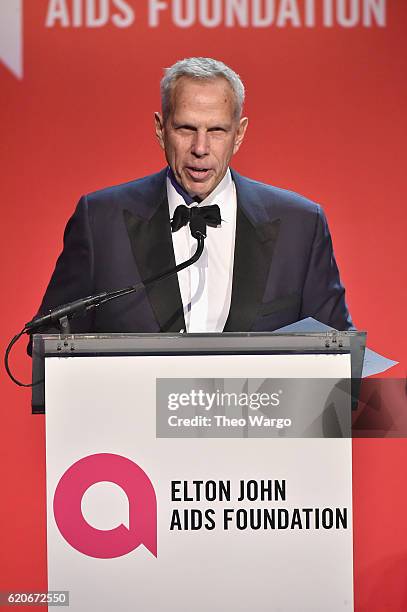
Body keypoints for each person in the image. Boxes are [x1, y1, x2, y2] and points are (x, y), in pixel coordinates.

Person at [32, 57, 352, 335]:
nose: (200, 149)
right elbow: (51, 339)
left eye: (216, 131)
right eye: (186, 129)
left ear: (238, 134)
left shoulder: (301, 225)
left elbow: (337, 347)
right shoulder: (101, 222)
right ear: (161, 129)